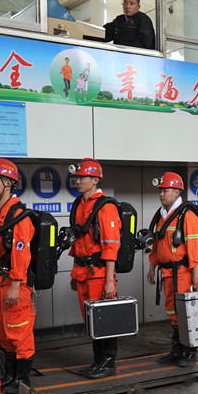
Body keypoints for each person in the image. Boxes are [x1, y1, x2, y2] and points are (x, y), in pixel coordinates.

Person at [0, 158, 36, 394]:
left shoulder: (18, 215)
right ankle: (9, 375)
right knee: (4, 332)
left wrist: (15, 284)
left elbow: (21, 253)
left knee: (20, 331)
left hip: (15, 283)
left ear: (7, 183)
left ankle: (22, 379)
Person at [67, 158, 121, 379]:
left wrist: (109, 279)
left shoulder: (106, 207)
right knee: (90, 320)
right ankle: (98, 362)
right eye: (77, 177)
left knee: (103, 320)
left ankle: (108, 363)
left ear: (95, 180)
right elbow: (78, 242)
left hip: (99, 274)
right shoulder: (79, 204)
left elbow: (111, 245)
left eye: (83, 177)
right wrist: (74, 272)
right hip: (82, 273)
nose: (78, 181)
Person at [147, 172, 198, 367]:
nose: (162, 194)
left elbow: (195, 246)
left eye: (166, 190)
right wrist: (152, 266)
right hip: (168, 273)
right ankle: (177, 350)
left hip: (183, 273)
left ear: (177, 192)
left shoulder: (187, 216)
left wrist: (196, 272)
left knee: (186, 312)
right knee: (173, 312)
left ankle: (189, 352)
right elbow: (157, 244)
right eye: (160, 190)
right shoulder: (162, 215)